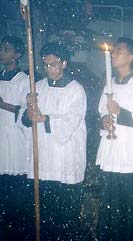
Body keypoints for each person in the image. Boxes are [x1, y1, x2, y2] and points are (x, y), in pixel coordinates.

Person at [22, 42, 87, 240]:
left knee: (65, 213)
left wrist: (45, 119)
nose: (48, 69)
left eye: (53, 64)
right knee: (45, 211)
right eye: (45, 65)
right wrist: (29, 107)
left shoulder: (75, 90)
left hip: (65, 156)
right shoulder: (38, 87)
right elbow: (26, 121)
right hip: (44, 158)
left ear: (64, 63)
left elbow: (71, 122)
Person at [95, 37, 133, 241]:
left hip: (131, 153)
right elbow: (102, 110)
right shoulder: (110, 83)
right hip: (114, 150)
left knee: (130, 200)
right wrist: (105, 119)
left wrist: (120, 112)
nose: (113, 54)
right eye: (113, 51)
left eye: (118, 51)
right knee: (112, 196)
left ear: (131, 57)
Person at [0, 35, 31, 240]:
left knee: (14, 191)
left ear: (17, 55)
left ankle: (16, 231)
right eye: (1, 48)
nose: (2, 52)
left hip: (14, 139)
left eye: (7, 49)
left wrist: (3, 104)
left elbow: (26, 112)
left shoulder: (24, 80)